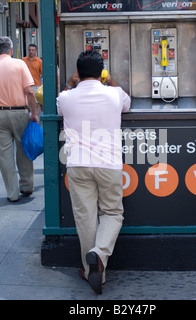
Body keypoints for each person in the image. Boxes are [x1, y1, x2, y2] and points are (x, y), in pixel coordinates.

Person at [57, 50, 131, 294]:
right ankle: (98, 254)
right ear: (101, 71)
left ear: (78, 73)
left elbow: (60, 103)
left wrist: (70, 83)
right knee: (112, 212)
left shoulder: (66, 98)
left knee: (85, 217)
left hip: (78, 164)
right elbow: (127, 103)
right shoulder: (114, 94)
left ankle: (91, 271)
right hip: (108, 164)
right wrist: (108, 80)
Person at [0, 36, 39, 202]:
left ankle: (12, 193)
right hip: (20, 112)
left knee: (4, 155)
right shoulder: (20, 64)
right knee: (24, 149)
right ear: (11, 50)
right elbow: (29, 91)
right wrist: (34, 112)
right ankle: (27, 186)